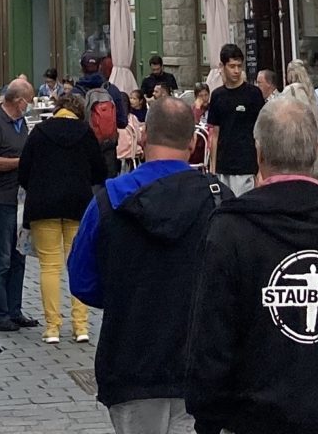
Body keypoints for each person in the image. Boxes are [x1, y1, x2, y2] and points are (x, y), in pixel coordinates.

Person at [184, 97, 318, 434]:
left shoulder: (230, 233)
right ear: (317, 150)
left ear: (258, 154)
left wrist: (213, 417)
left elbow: (209, 346)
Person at [65, 93, 224, 434]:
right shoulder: (219, 200)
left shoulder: (108, 199)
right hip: (201, 364)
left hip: (130, 361)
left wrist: (127, 294)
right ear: (192, 141)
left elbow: (82, 282)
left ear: (144, 136)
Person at [18, 89, 110, 346]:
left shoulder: (39, 133)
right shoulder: (85, 134)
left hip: (42, 206)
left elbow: (23, 172)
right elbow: (100, 172)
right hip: (78, 205)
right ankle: (80, 326)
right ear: (78, 113)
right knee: (76, 263)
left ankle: (52, 328)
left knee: (49, 267)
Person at [0, 80, 33, 332]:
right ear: (18, 100)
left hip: (21, 199)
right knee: (2, 257)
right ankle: (0, 314)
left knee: (19, 255)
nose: (29, 105)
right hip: (1, 199)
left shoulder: (22, 125)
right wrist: (21, 162)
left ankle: (15, 310)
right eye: (28, 100)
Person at [201, 46, 264, 196]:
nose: (236, 71)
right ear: (222, 67)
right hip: (224, 164)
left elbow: (260, 134)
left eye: (239, 66)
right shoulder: (217, 95)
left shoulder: (253, 94)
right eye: (232, 66)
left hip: (247, 164)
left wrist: (261, 169)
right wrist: (213, 169)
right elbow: (214, 134)